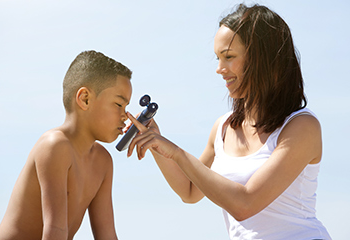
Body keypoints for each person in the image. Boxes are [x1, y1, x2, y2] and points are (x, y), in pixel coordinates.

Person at [126, 4, 332, 240]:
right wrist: (156, 143)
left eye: (229, 57)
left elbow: (245, 203)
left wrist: (178, 153)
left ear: (261, 58)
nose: (219, 69)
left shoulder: (301, 127)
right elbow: (190, 190)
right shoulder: (223, 128)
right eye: (218, 58)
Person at [0, 50, 132, 240]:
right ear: (85, 99)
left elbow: (107, 235)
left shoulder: (103, 162)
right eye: (119, 104)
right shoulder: (55, 146)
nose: (126, 116)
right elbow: (55, 231)